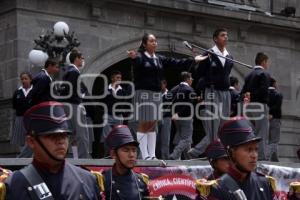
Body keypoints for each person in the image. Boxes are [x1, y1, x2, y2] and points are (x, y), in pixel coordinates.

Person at [127, 33, 207, 160]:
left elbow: (175, 62)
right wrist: (133, 57)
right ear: (144, 44)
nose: (155, 43)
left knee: (152, 125)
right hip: (143, 93)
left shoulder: (159, 58)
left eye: (155, 41)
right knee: (144, 123)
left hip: (156, 94)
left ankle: (152, 155)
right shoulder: (140, 57)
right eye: (152, 41)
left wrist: (194, 60)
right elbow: (136, 61)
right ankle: (145, 155)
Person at [4, 101, 101, 200]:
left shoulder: (86, 180)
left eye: (64, 135)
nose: (61, 141)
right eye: (52, 136)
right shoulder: (16, 184)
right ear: (31, 142)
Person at [188, 28, 234, 159]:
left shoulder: (229, 57)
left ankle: (215, 151)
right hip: (212, 91)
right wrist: (202, 91)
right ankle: (215, 153)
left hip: (225, 93)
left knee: (224, 124)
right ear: (215, 38)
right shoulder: (209, 54)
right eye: (223, 35)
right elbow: (199, 74)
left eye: (227, 35)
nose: (226, 37)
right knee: (213, 123)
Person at [206, 116, 276, 200]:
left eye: (256, 149)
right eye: (248, 150)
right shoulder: (217, 189)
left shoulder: (265, 184)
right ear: (231, 152)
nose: (254, 155)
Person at [100, 125, 149, 200]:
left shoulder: (141, 181)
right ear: (113, 154)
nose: (131, 155)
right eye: (126, 150)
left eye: (134, 150)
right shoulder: (103, 180)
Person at [241, 52, 271, 160]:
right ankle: (262, 158)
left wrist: (248, 96)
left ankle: (249, 156)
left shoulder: (249, 75)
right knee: (262, 132)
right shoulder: (264, 74)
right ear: (264, 62)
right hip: (260, 105)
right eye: (267, 62)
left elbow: (243, 92)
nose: (268, 65)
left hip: (248, 107)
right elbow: (264, 91)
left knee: (251, 133)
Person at [62, 49, 90, 158]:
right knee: (82, 134)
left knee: (72, 134)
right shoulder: (74, 72)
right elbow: (73, 90)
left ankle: (75, 157)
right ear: (76, 59)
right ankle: (83, 159)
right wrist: (81, 96)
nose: (83, 60)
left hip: (69, 105)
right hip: (74, 105)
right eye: (82, 58)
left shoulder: (69, 72)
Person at [169, 72, 197, 160]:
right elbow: (189, 104)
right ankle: (174, 155)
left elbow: (168, 101)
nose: (192, 80)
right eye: (191, 78)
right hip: (186, 117)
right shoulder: (189, 90)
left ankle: (188, 158)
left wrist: (174, 113)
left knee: (180, 136)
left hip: (175, 117)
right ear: (187, 79)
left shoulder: (174, 89)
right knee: (187, 138)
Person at [101, 71, 128, 151]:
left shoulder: (123, 91)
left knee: (118, 135)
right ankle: (108, 152)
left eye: (120, 78)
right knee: (107, 135)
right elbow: (100, 101)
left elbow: (126, 102)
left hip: (118, 115)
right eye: (117, 77)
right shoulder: (106, 89)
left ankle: (117, 153)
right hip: (107, 115)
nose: (119, 79)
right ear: (112, 78)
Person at [11, 72, 33, 157]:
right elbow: (14, 106)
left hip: (31, 119)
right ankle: (22, 159)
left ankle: (21, 158)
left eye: (26, 78)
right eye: (22, 79)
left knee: (31, 139)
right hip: (20, 118)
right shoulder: (17, 92)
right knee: (21, 140)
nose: (23, 80)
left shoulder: (34, 91)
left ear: (30, 79)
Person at [268, 77, 283, 162]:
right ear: (274, 84)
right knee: (274, 140)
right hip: (275, 118)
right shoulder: (278, 94)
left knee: (267, 139)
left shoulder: (264, 93)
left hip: (264, 118)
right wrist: (272, 114)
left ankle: (274, 159)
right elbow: (277, 107)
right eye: (276, 83)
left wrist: (267, 113)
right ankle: (269, 157)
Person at [156, 79, 172, 159]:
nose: (159, 86)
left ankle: (165, 158)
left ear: (165, 84)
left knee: (165, 139)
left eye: (161, 84)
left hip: (166, 118)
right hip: (157, 118)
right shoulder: (156, 94)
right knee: (156, 139)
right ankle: (156, 157)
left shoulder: (170, 94)